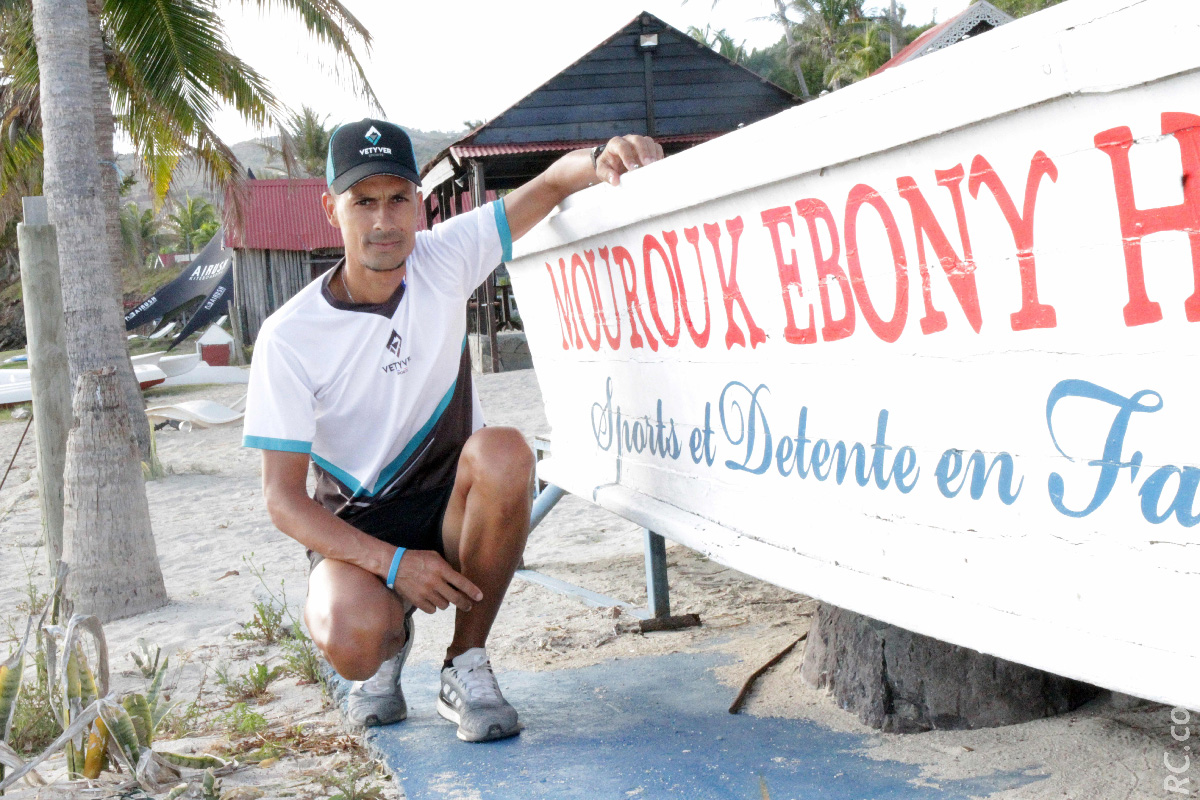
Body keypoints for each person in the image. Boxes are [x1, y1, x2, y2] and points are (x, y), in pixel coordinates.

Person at [242, 118, 663, 742]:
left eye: (397, 199)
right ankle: (385, 651)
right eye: (363, 202)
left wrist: (606, 156)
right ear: (331, 209)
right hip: (357, 527)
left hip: (449, 506)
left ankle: (465, 661)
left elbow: (549, 186)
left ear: (419, 202)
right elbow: (282, 500)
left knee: (506, 452)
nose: (383, 221)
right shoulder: (289, 335)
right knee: (349, 637)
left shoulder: (445, 255)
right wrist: (392, 566)